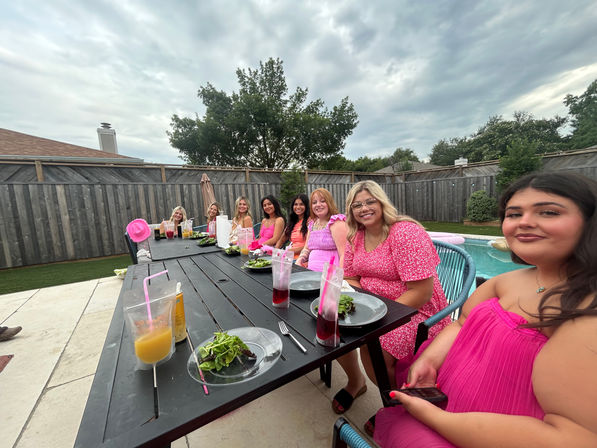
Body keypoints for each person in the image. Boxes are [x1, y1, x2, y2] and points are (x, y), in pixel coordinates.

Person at [375, 172, 597, 447]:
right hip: (447, 401)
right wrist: (429, 360)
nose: (525, 222)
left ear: (590, 222)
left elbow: (575, 437)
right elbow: (461, 323)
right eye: (514, 214)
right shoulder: (505, 282)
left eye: (549, 212)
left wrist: (434, 419)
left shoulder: (586, 311)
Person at [333, 181, 450, 432]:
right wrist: (364, 307)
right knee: (334, 327)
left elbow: (421, 292)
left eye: (369, 201)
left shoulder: (404, 232)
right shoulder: (357, 237)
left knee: (375, 346)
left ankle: (396, 404)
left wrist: (375, 314)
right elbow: (350, 277)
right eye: (357, 205)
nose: (364, 208)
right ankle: (358, 383)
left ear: (382, 202)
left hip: (416, 311)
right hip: (374, 307)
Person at [296, 188, 347, 271]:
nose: (318, 205)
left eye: (323, 201)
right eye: (314, 202)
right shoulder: (312, 224)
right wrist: (300, 259)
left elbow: (344, 254)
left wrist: (340, 279)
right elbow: (306, 248)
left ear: (329, 203)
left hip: (330, 275)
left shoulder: (336, 222)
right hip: (311, 273)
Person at [275, 193, 310, 258]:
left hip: (303, 257)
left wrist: (289, 251)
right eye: (295, 204)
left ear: (306, 206)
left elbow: (309, 246)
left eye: (301, 204)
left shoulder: (310, 221)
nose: (298, 207)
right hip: (289, 257)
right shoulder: (293, 222)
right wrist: (275, 252)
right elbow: (281, 240)